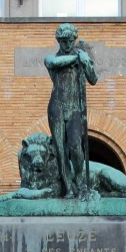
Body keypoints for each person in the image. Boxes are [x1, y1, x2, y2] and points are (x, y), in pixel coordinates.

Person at [45, 23, 97, 198]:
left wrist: (87, 62)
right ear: (58, 41)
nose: (67, 44)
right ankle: (68, 188)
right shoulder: (51, 59)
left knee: (75, 146)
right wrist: (78, 58)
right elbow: (56, 62)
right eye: (63, 40)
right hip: (57, 108)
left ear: (74, 40)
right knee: (60, 150)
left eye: (70, 40)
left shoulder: (82, 58)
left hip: (75, 109)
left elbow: (93, 79)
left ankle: (81, 183)